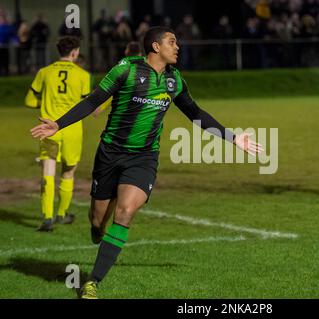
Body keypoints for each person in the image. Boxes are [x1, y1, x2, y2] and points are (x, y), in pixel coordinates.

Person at [30, 26, 262, 298]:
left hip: (143, 158)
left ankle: (93, 282)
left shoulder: (174, 80)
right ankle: (99, 225)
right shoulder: (126, 70)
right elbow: (93, 100)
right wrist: (58, 124)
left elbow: (195, 113)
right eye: (172, 42)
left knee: (125, 212)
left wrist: (233, 138)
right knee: (97, 223)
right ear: (155, 47)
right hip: (109, 154)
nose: (178, 47)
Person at [25, 36, 91, 231]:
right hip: (72, 130)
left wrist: (43, 104)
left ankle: (47, 218)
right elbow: (86, 105)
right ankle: (62, 213)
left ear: (59, 51)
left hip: (48, 129)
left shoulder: (44, 72)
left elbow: (29, 100)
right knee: (69, 171)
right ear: (75, 52)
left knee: (48, 171)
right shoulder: (83, 75)